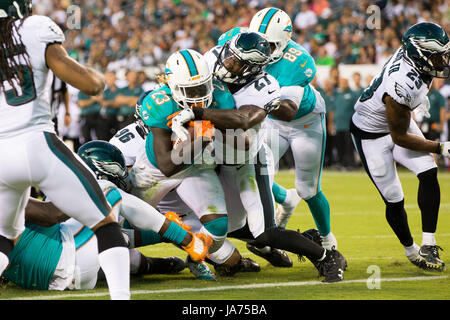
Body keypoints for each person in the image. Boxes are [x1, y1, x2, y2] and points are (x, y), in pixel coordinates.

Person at [172, 32, 346, 282]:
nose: (228, 63)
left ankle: (326, 256)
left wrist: (198, 113)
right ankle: (282, 247)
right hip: (216, 157)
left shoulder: (264, 87)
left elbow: (242, 120)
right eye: (229, 55)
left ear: (252, 68)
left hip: (249, 162)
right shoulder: (211, 58)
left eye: (236, 62)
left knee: (265, 231)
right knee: (225, 225)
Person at [0, 0, 129, 299]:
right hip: (37, 141)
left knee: (5, 239)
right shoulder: (33, 28)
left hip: (1, 155)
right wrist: (99, 80)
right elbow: (88, 84)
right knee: (106, 223)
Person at [2, 142, 212, 290]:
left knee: (103, 229)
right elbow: (52, 214)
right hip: (69, 262)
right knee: (104, 191)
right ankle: (188, 240)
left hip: (40, 278)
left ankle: (164, 249)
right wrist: (82, 190)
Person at [132, 49, 256, 280]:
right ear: (174, 87)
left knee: (218, 228)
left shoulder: (219, 95)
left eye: (203, 86)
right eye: (192, 90)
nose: (200, 95)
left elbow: (242, 138)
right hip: (154, 172)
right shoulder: (160, 103)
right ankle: (174, 233)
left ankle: (195, 257)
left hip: (197, 166)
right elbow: (167, 165)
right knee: (124, 224)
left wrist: (206, 120)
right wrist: (204, 136)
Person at [110, 92, 261, 279]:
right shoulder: (129, 142)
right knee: (126, 247)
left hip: (189, 207)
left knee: (232, 262)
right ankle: (164, 263)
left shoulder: (184, 127)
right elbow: (122, 181)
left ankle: (204, 256)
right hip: (159, 211)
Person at [350, 22, 450, 271]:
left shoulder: (414, 61)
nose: (442, 61)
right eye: (437, 56)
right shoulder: (402, 82)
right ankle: (411, 250)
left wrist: (418, 100)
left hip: (397, 122)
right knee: (394, 200)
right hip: (372, 134)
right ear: (420, 54)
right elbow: (400, 138)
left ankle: (429, 243)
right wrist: (440, 147)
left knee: (428, 173)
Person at [247, 8, 342, 252]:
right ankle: (286, 201)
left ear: (282, 42)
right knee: (256, 174)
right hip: (273, 123)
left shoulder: (297, 61)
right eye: (256, 42)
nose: (260, 49)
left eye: (267, 44)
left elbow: (287, 110)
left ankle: (328, 238)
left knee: (307, 189)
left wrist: (254, 102)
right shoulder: (242, 42)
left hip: (304, 123)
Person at [333, 77, 358, 169]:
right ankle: (341, 163)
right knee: (340, 146)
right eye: (341, 82)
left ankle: (351, 164)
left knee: (349, 146)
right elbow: (333, 109)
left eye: (344, 82)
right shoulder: (337, 94)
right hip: (338, 125)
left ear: (347, 83)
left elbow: (357, 109)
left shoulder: (353, 94)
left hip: (348, 125)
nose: (342, 84)